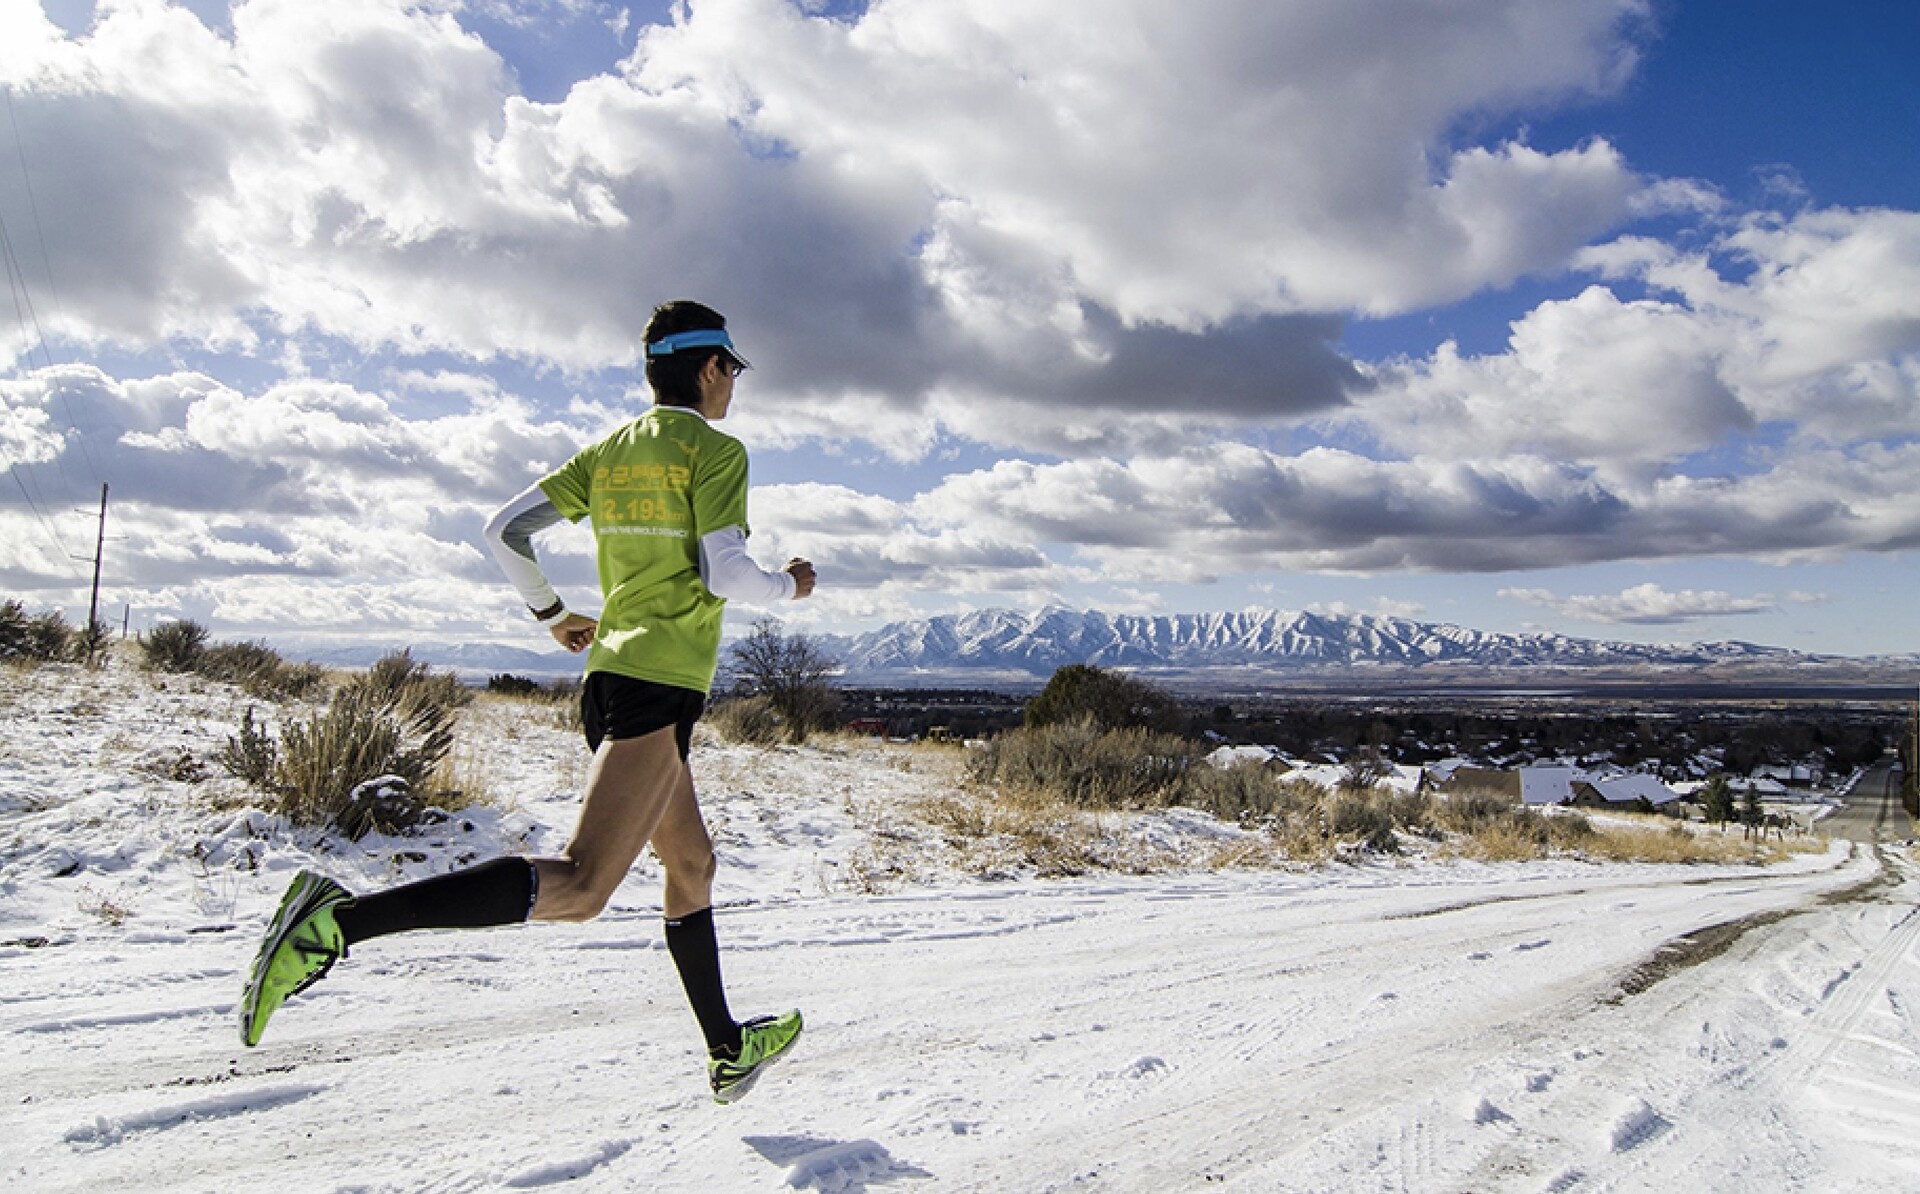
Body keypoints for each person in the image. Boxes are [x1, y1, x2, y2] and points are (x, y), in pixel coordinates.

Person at [238, 300, 816, 1105]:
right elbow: (726, 573)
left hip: (615, 678)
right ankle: (338, 922)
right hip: (656, 688)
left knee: (692, 863)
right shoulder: (716, 453)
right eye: (733, 372)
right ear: (713, 368)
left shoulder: (609, 455)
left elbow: (503, 529)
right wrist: (790, 584)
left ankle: (725, 1047)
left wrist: (552, 614)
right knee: (581, 887)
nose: (733, 389)